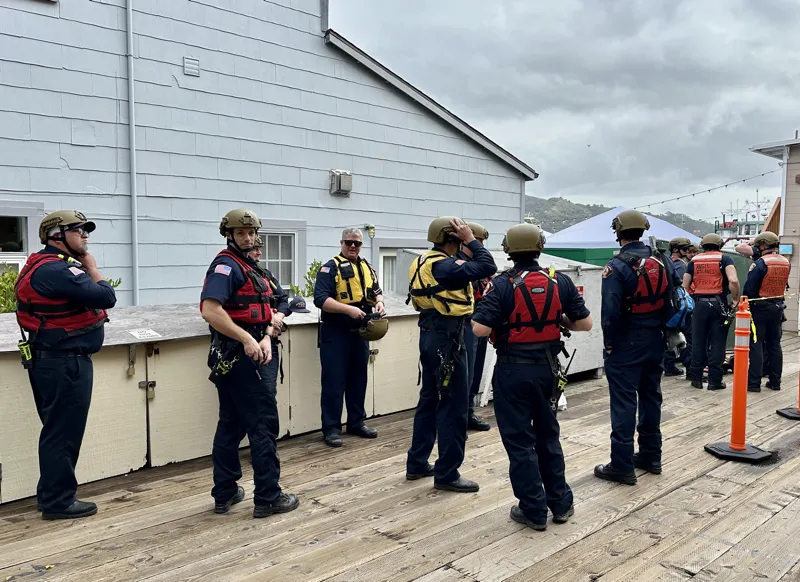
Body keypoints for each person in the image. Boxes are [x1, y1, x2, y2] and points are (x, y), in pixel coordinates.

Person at [472, 223, 591, 530]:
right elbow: (585, 324)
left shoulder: (500, 285)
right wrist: (554, 320)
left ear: (508, 250)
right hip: (549, 369)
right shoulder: (559, 281)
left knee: (520, 442)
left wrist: (506, 320)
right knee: (548, 436)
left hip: (513, 370)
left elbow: (480, 330)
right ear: (539, 247)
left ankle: (533, 509)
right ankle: (561, 504)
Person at [15, 210, 117, 520]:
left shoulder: (46, 267)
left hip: (53, 361)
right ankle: (58, 501)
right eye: (78, 229)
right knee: (63, 433)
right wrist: (93, 267)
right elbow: (106, 296)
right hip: (65, 363)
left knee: (57, 430)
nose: (85, 235)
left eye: (86, 229)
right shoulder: (57, 271)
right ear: (55, 235)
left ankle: (51, 495)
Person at [200, 208, 299, 519]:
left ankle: (225, 492)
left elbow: (280, 301)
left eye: (251, 233)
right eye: (241, 233)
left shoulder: (254, 269)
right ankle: (269, 496)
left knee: (230, 423)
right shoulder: (226, 266)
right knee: (262, 425)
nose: (248, 237)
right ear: (229, 235)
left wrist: (269, 331)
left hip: (257, 348)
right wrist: (247, 339)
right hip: (244, 357)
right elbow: (210, 309)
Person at [405, 217, 496, 493]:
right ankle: (447, 473)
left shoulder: (424, 261)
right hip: (449, 338)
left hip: (431, 333)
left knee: (431, 399)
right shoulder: (445, 265)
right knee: (453, 405)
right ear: (452, 240)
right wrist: (470, 239)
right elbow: (488, 266)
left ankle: (417, 462)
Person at [594, 210, 681, 485]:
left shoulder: (616, 266)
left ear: (618, 232)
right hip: (656, 338)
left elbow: (610, 312)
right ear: (643, 230)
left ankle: (621, 465)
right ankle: (651, 456)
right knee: (651, 396)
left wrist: (609, 344)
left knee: (623, 402)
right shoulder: (663, 260)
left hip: (626, 342)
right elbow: (674, 294)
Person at [314, 227, 385, 448]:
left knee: (358, 379)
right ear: (341, 243)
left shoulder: (366, 267)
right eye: (348, 242)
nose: (353, 246)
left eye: (357, 243)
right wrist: (347, 310)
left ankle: (356, 422)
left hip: (361, 333)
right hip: (336, 333)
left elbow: (375, 291)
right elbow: (320, 299)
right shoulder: (329, 268)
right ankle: (331, 428)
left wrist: (380, 302)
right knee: (334, 382)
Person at [682, 233, 739, 390]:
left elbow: (685, 286)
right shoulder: (725, 259)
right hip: (718, 304)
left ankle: (696, 379)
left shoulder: (694, 261)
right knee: (717, 343)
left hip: (699, 305)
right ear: (719, 245)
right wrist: (734, 299)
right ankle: (714, 381)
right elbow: (733, 280)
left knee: (698, 342)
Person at [744, 232, 790, 392]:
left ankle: (754, 383)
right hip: (778, 307)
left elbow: (749, 288)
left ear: (763, 245)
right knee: (774, 345)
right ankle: (775, 381)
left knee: (756, 344)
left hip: (759, 308)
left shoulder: (760, 263)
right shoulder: (785, 262)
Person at [459, 222, 493, 432]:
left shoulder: (480, 265)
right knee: (465, 371)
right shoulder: (459, 264)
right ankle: (460, 415)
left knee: (476, 369)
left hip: (480, 322)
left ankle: (469, 411)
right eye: (475, 241)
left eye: (480, 242)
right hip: (464, 324)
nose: (479, 245)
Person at [663, 237, 693, 376]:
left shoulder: (666, 262)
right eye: (685, 249)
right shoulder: (681, 265)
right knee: (688, 336)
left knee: (670, 334)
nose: (688, 252)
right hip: (680, 305)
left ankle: (669, 366)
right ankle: (690, 366)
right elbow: (681, 286)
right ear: (676, 250)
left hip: (668, 306)